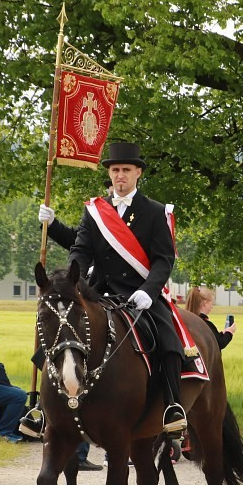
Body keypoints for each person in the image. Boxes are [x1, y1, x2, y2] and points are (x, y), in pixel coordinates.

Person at [68, 141, 189, 435]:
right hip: (100, 292)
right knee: (60, 330)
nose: (119, 175)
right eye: (115, 170)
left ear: (137, 174)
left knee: (169, 341)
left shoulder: (154, 212)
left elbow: (164, 258)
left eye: (125, 170)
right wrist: (75, 280)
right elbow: (81, 250)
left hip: (140, 294)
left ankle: (173, 406)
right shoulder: (94, 211)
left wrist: (149, 290)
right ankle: (44, 407)